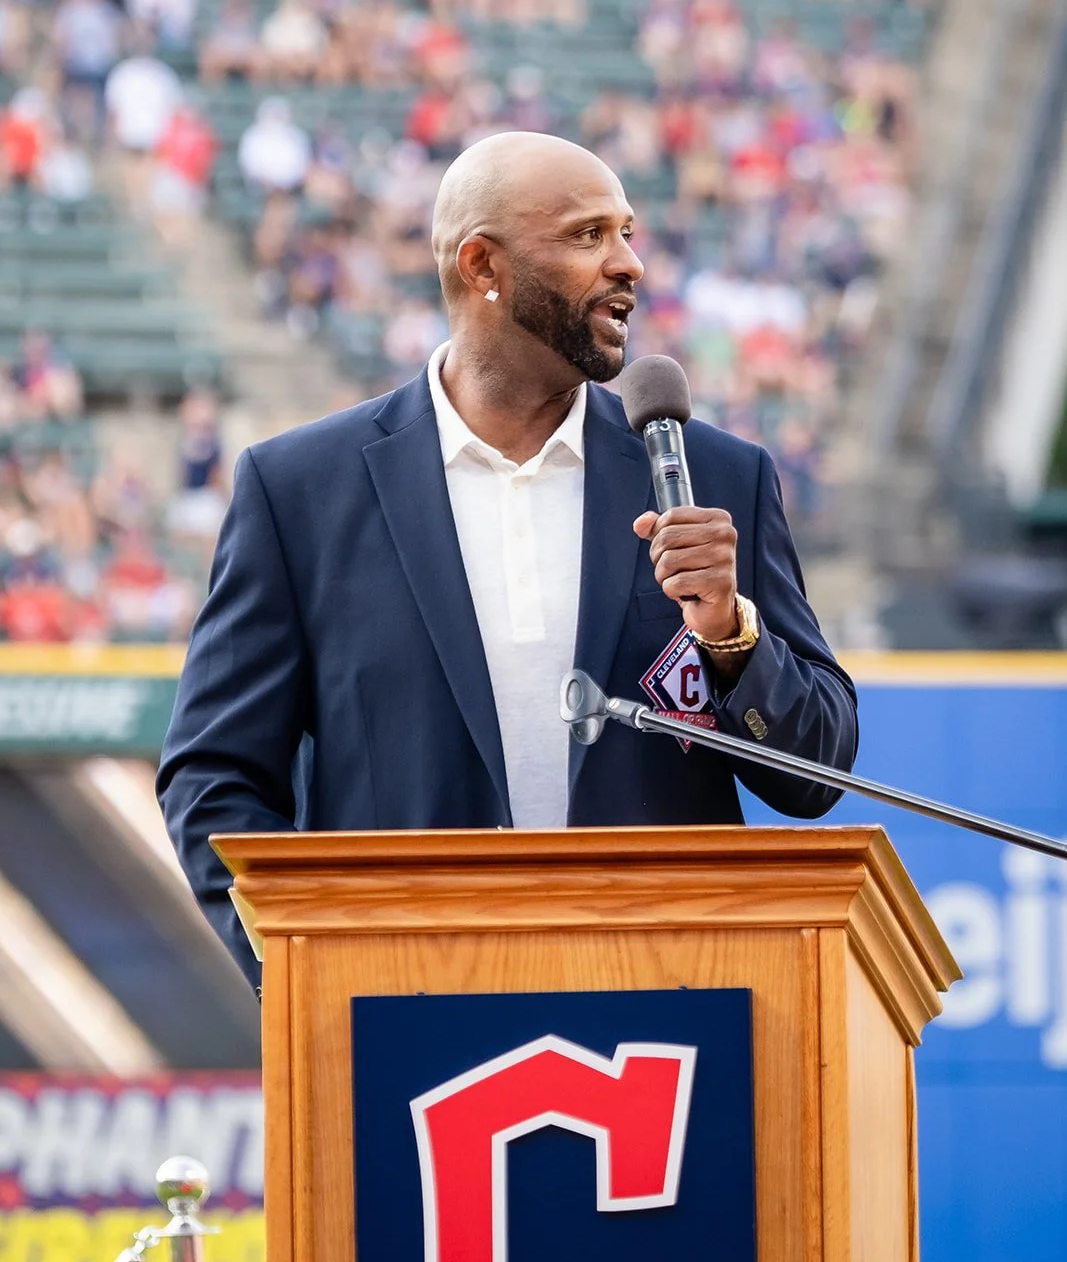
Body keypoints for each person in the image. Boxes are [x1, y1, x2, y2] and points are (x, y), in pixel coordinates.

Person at [158, 131, 857, 989]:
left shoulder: (715, 476)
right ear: (482, 265)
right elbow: (213, 773)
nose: (629, 263)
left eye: (627, 232)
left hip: (665, 1018)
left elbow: (815, 777)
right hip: (405, 1014)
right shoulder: (300, 488)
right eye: (587, 234)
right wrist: (302, 964)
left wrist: (729, 635)